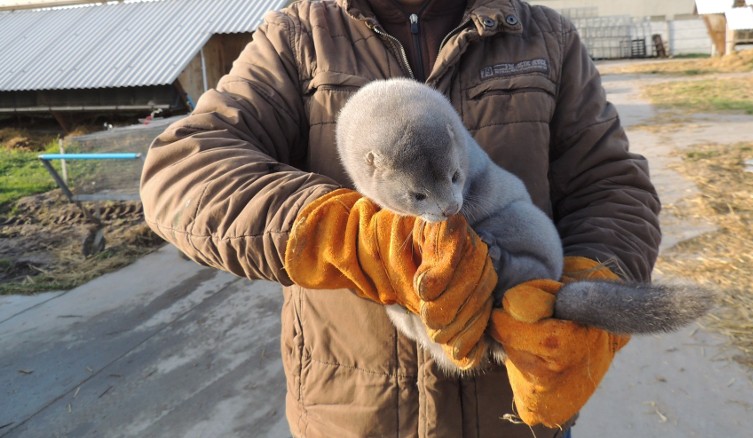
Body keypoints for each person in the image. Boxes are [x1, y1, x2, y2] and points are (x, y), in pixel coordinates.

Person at [139, 0, 661, 436]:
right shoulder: (299, 38)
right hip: (353, 416)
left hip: (516, 411)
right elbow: (182, 169)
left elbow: (610, 184)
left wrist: (591, 288)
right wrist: (346, 236)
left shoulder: (543, 38)